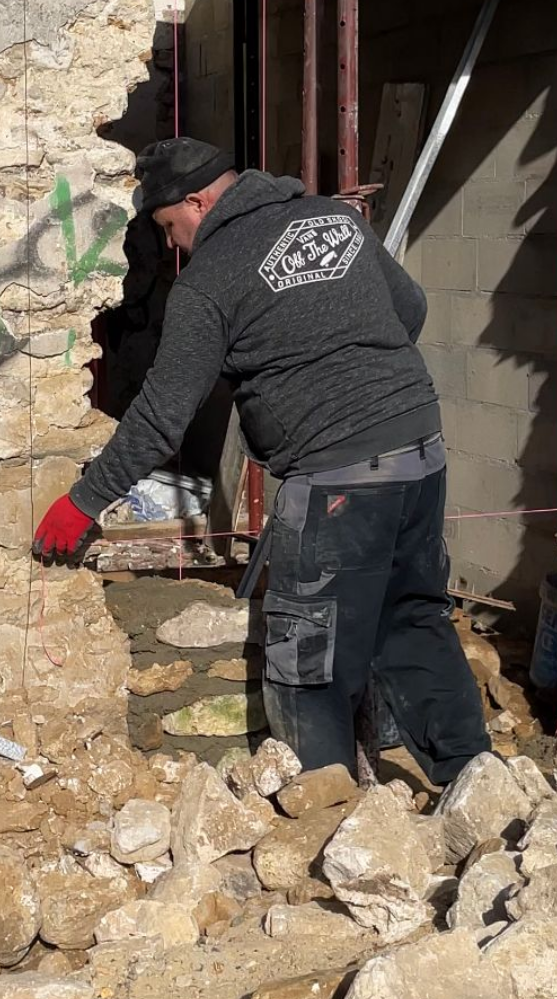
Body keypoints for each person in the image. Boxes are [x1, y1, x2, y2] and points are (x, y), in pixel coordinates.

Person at [32, 136, 491, 783]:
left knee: (309, 659)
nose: (174, 247)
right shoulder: (333, 221)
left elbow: (163, 415)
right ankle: (475, 782)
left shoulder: (211, 278)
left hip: (335, 480)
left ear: (196, 200)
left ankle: (320, 811)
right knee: (413, 615)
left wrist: (85, 499)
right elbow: (409, 309)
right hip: (420, 449)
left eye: (169, 227)